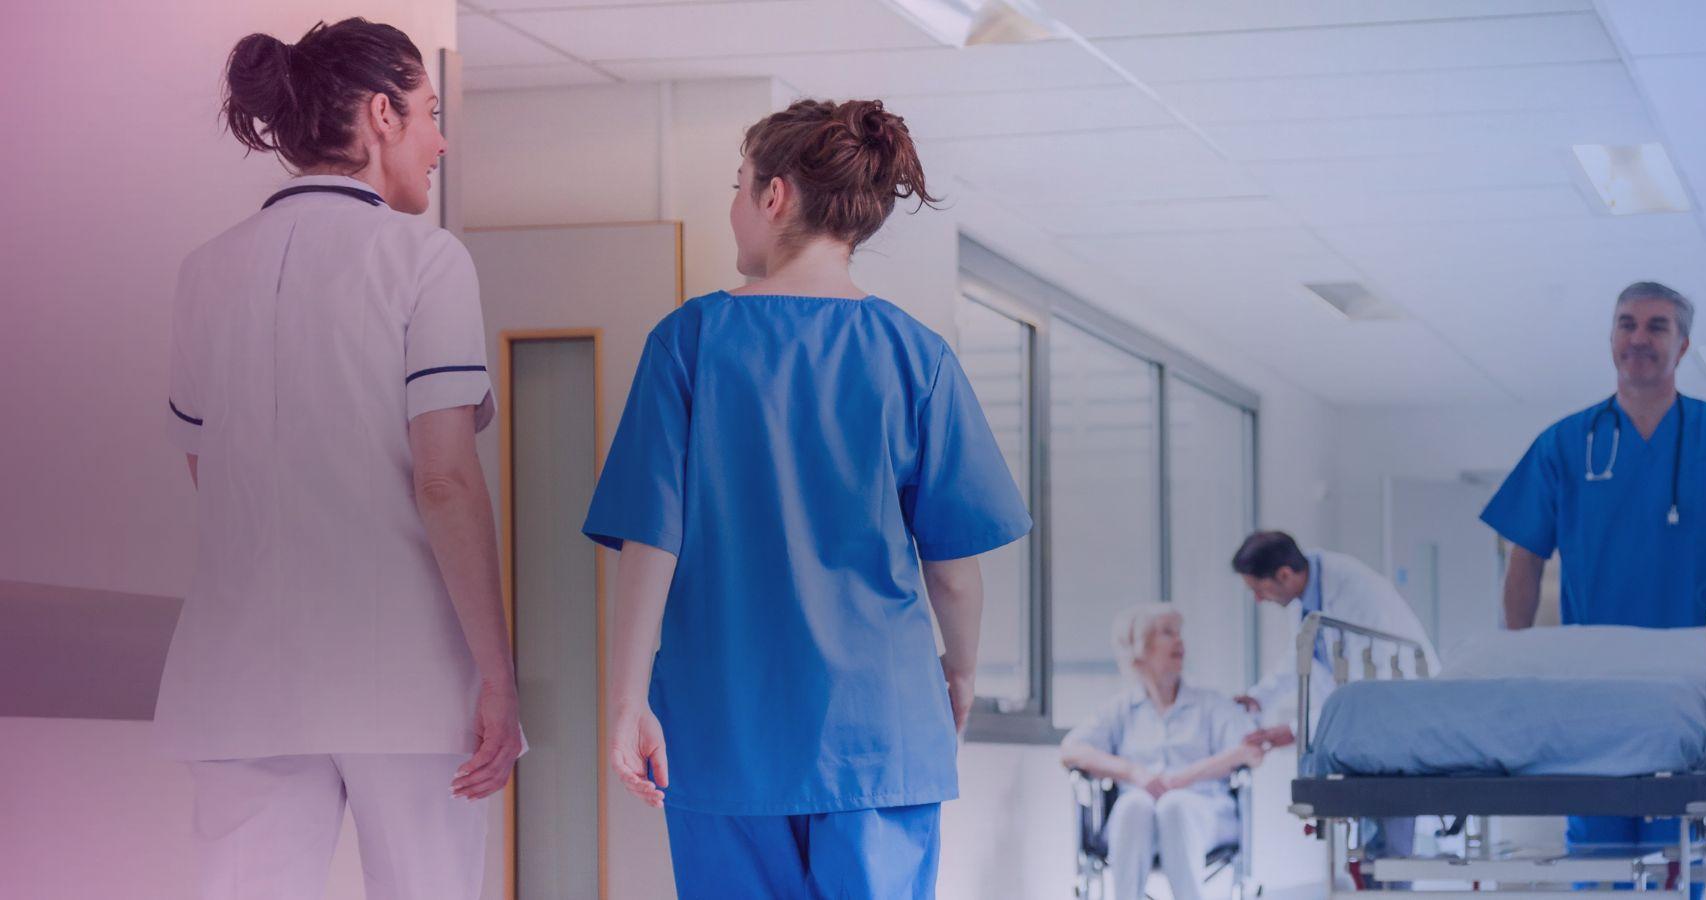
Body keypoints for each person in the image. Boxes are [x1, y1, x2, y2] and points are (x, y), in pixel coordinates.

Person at [583, 98, 1031, 899]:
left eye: (738, 184)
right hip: (881, 734)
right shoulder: (915, 357)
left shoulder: (689, 343)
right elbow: (954, 569)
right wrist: (958, 676)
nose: (734, 206)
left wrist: (626, 703)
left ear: (775, 195)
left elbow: (652, 541)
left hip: (723, 733)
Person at [156, 19, 519, 900]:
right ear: (383, 114)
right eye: (432, 114)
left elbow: (215, 477)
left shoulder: (205, 272)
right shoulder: (425, 259)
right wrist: (499, 678)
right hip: (405, 675)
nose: (441, 143)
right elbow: (444, 478)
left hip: (239, 679)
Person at [1481, 280, 1706, 884]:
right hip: (1593, 686)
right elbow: (1524, 560)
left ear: (1682, 347)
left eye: (1657, 326)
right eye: (1627, 324)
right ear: (1610, 340)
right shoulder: (1566, 443)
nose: (1639, 337)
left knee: (1680, 853)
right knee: (1597, 860)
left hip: (1687, 681)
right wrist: (1514, 654)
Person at [1230, 530, 1436, 870]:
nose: (1258, 599)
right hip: (1368, 720)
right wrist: (1258, 698)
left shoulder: (1354, 593)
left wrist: (1298, 730)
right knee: (1372, 847)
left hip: (1396, 716)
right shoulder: (1308, 593)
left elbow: (1361, 690)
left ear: (1283, 575)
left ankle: (1390, 889)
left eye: (1258, 589)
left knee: (1389, 840)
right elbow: (1301, 654)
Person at [1060, 605, 1265, 900]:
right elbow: (1070, 749)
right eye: (1168, 633)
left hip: (1203, 812)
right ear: (1140, 649)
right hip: (1137, 817)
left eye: (1180, 633)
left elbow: (1252, 750)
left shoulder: (1210, 705)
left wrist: (1184, 778)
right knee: (1133, 805)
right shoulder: (1122, 709)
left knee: (1174, 805)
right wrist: (1133, 773)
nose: (1180, 642)